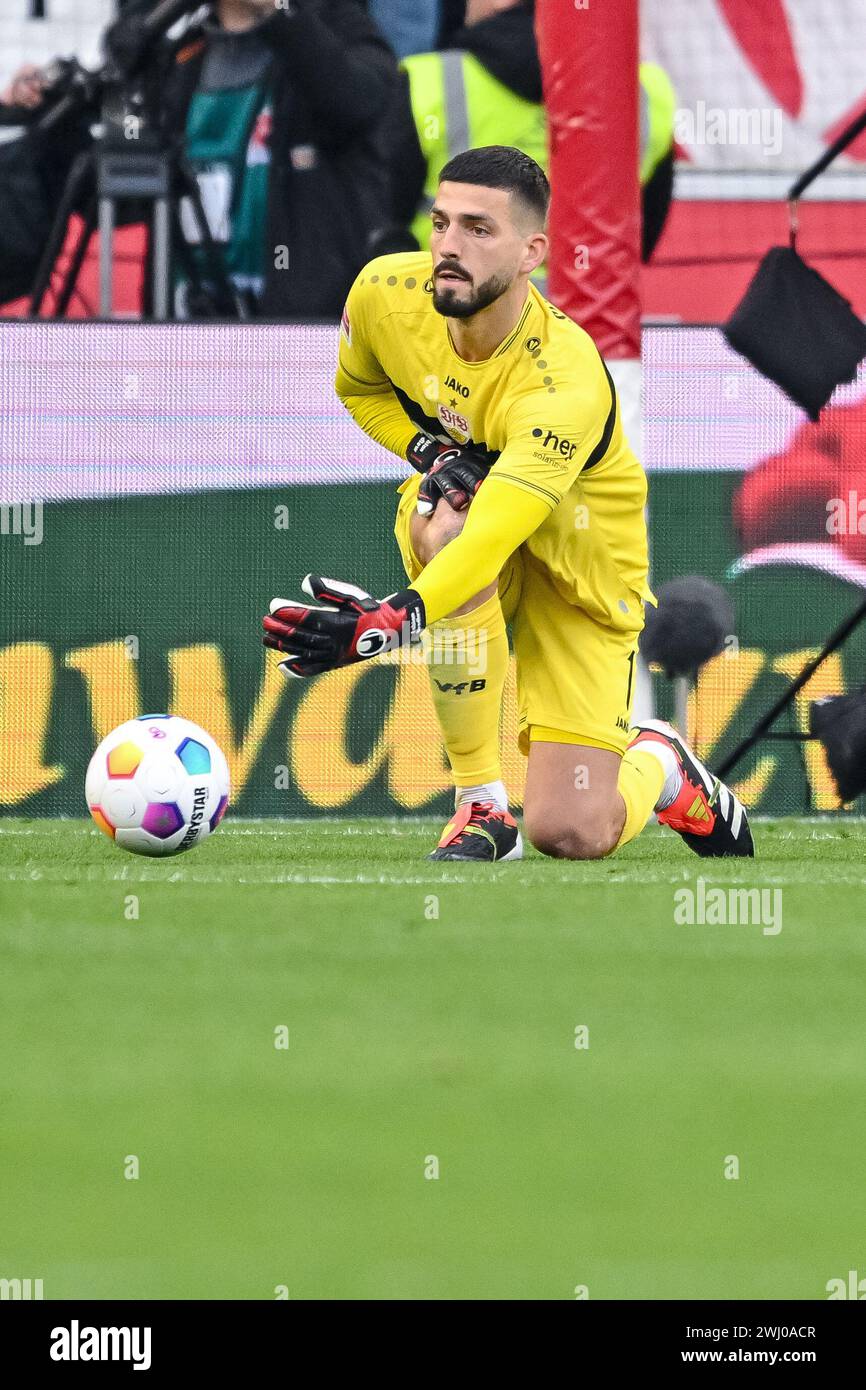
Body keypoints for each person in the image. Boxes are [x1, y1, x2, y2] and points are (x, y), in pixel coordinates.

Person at [263, 145, 753, 861]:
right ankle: (481, 805)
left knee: (574, 833)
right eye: (440, 223)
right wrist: (428, 453)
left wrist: (391, 620)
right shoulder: (384, 294)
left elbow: (496, 534)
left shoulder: (564, 379)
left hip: (582, 566)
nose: (449, 249)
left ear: (533, 253)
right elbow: (360, 390)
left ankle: (665, 767)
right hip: (473, 525)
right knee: (444, 521)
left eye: (478, 230)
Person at [0, 0, 400, 319]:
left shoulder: (337, 25)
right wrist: (49, 120)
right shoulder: (175, 53)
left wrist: (276, 12)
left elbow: (358, 104)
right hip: (188, 334)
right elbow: (120, 200)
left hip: (299, 341)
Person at [393, 0, 676, 263]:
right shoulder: (647, 93)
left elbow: (383, 222)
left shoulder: (429, 82)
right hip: (583, 313)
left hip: (444, 305)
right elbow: (643, 239)